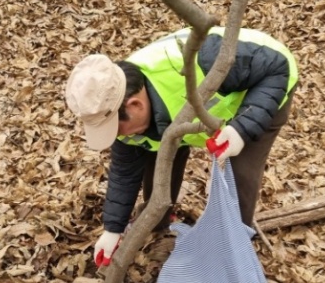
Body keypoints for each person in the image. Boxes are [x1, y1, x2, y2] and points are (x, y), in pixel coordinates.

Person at [65, 27, 298, 265]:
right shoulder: (113, 103)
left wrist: (242, 128)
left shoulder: (205, 60)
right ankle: (158, 220)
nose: (115, 136)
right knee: (150, 150)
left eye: (114, 128)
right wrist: (112, 229)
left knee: (239, 174)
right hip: (181, 116)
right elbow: (124, 173)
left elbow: (277, 67)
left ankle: (230, 250)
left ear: (135, 105)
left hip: (264, 87)